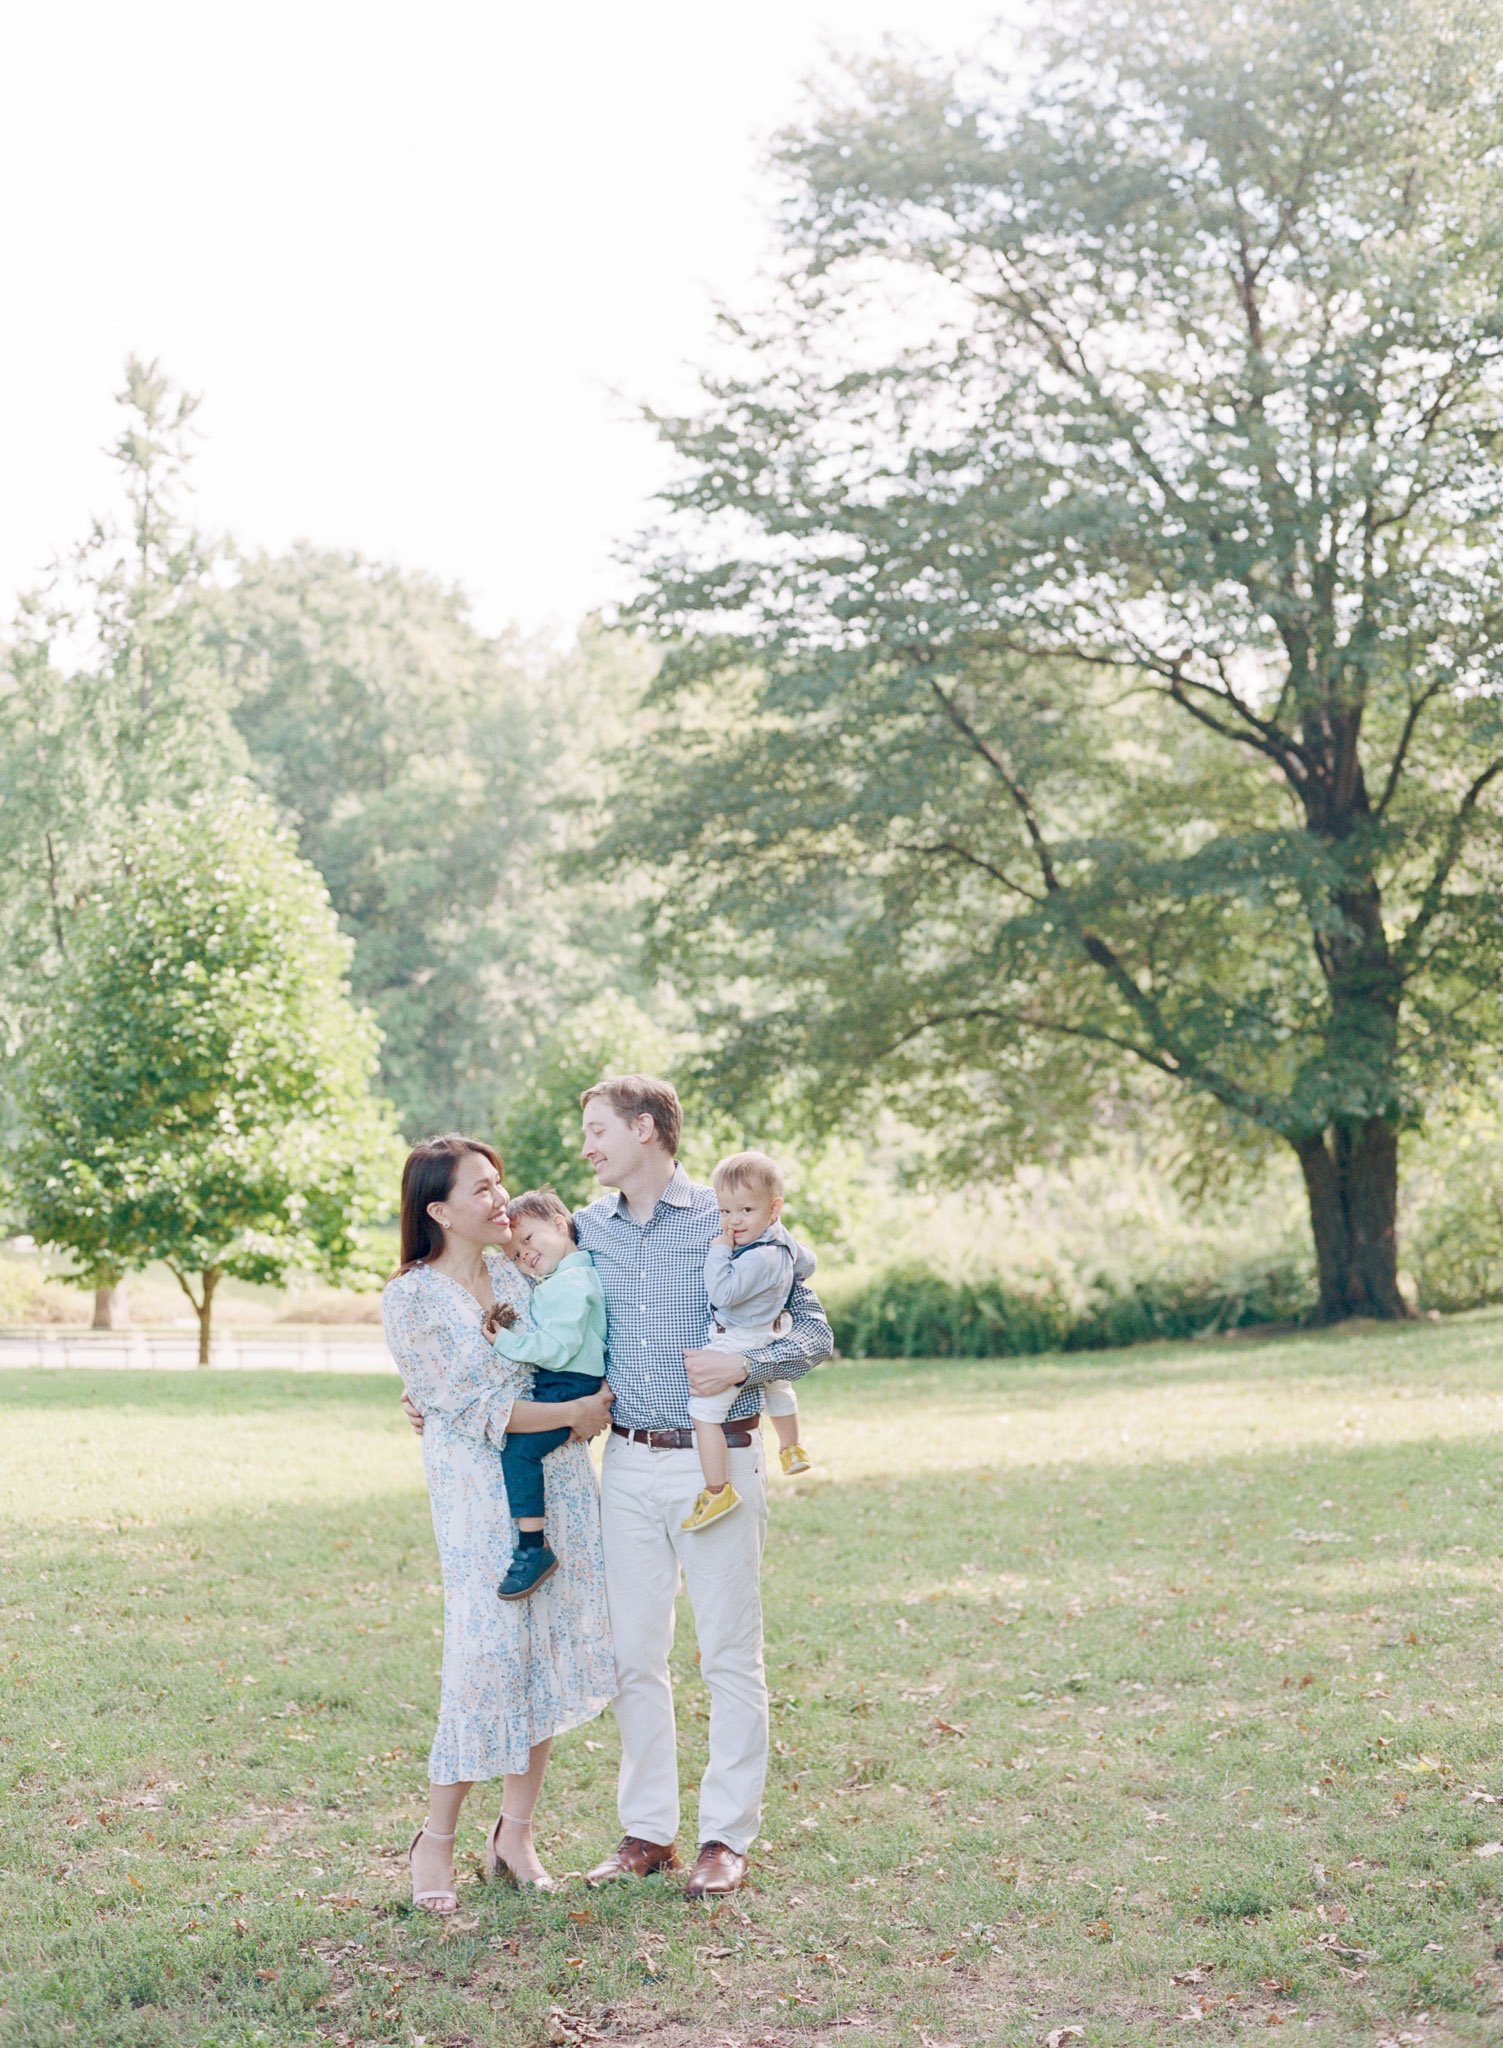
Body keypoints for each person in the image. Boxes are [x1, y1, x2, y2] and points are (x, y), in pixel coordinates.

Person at [574, 1075, 833, 1900]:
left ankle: (725, 1836)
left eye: (596, 1129)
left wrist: (748, 1364)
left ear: (645, 1130)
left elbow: (817, 1333)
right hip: (625, 1464)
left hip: (715, 1459)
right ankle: (648, 1833)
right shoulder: (586, 1230)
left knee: (727, 1654)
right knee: (631, 1658)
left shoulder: (733, 1216)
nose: (586, 1146)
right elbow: (527, 1310)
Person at [381, 1135, 616, 1913]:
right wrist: (577, 1412)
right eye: (480, 1189)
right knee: (484, 1660)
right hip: (480, 1499)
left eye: (500, 1182)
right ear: (438, 1209)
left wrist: (585, 1406)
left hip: (559, 1487)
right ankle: (435, 1841)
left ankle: (514, 1834)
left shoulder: (525, 1266)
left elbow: (574, 1344)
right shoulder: (412, 1298)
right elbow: (473, 1406)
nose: (500, 1199)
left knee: (542, 1657)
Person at [481, 1188, 608, 1601]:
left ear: (558, 1224)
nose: (524, 1256)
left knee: (519, 1449)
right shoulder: (560, 1279)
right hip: (563, 1381)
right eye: (516, 1255)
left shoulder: (573, 1283)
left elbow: (557, 1348)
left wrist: (507, 1343)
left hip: (570, 1383)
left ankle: (533, 1547)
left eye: (528, 1240)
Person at [683, 1149, 815, 1532]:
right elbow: (808, 1263)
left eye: (745, 1211)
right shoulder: (782, 1242)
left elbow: (722, 1293)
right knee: (778, 1390)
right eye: (725, 1212)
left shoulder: (756, 1258)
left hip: (738, 1340)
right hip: (772, 1332)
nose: (733, 1222)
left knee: (704, 1415)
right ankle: (791, 1448)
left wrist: (719, 1251)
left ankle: (717, 1489)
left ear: (773, 1208)